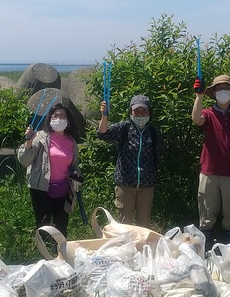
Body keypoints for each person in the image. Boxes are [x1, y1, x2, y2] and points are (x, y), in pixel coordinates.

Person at [191, 74, 230, 246]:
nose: (222, 92)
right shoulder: (208, 114)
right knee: (206, 216)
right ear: (214, 92)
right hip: (209, 173)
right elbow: (196, 119)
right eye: (219, 89)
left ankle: (228, 254)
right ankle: (206, 252)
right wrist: (198, 96)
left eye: (226, 89)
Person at [97, 94, 162, 227]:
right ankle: (126, 248)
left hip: (147, 187)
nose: (140, 114)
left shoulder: (154, 133)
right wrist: (104, 116)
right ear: (130, 111)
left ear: (150, 112)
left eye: (144, 110)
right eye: (136, 110)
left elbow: (159, 156)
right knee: (124, 226)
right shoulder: (124, 128)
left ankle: (141, 248)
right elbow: (103, 134)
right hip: (125, 186)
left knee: (143, 226)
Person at [18, 102, 81, 237]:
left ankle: (60, 254)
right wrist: (28, 141)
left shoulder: (71, 141)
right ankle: (43, 256)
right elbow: (24, 161)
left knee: (61, 228)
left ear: (68, 120)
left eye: (62, 116)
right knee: (43, 227)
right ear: (50, 118)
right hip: (41, 190)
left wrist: (76, 174)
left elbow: (74, 164)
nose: (59, 119)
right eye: (55, 116)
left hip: (64, 191)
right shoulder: (39, 137)